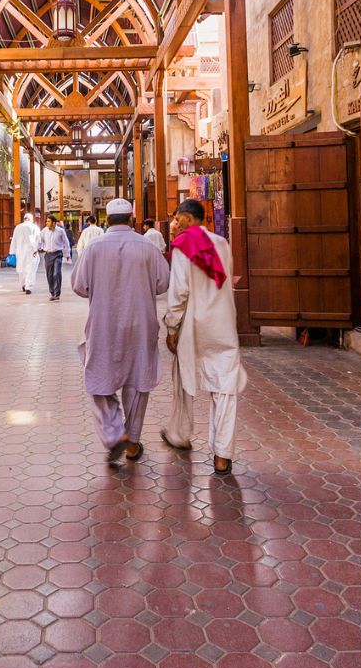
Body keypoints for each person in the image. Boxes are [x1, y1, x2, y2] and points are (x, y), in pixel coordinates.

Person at [72, 199, 170, 464]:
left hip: (104, 323)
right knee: (138, 380)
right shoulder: (148, 246)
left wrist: (102, 288)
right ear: (131, 219)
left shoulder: (93, 247)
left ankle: (115, 433)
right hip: (141, 323)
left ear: (107, 218)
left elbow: (79, 286)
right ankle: (132, 442)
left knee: (98, 378)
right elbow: (163, 283)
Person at [161, 198, 245, 476]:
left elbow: (179, 293)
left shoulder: (184, 245)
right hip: (222, 324)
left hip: (193, 327)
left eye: (176, 217)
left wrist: (171, 328)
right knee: (225, 388)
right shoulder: (222, 243)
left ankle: (180, 433)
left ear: (187, 217)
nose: (174, 223)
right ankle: (222, 455)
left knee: (184, 378)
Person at [37, 214, 71, 300]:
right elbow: (39, 241)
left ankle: (57, 293)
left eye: (48, 221)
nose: (46, 223)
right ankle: (52, 293)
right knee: (49, 275)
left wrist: (67, 254)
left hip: (58, 254)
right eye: (46, 221)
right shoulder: (44, 231)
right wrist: (36, 249)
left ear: (54, 223)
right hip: (48, 255)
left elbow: (66, 242)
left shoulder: (60, 231)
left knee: (57, 273)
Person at [9, 212, 41, 295]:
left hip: (19, 251)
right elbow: (38, 240)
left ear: (24, 219)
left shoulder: (18, 227)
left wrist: (12, 252)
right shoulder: (35, 227)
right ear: (31, 219)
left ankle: (23, 284)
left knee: (21, 268)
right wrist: (37, 249)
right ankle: (28, 286)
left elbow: (14, 240)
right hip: (31, 251)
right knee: (31, 268)